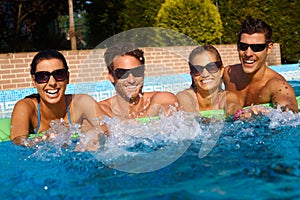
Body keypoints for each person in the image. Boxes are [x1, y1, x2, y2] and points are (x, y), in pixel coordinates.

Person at [10, 49, 107, 147]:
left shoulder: (82, 103)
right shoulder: (25, 107)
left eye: (59, 74)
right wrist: (40, 141)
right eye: (42, 76)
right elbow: (18, 143)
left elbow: (108, 134)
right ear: (34, 81)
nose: (52, 83)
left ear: (68, 77)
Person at [223, 16, 298, 112]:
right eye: (243, 46)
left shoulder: (277, 85)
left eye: (257, 47)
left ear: (269, 48)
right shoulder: (228, 74)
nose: (248, 53)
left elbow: (290, 115)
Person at [98, 43, 179, 119]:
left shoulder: (162, 99)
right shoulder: (103, 110)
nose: (131, 80)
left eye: (137, 71)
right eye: (122, 73)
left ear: (143, 73)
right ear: (111, 77)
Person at [176, 45, 242, 116]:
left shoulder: (227, 97)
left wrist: (238, 114)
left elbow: (232, 106)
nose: (205, 74)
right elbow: (190, 116)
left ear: (221, 71)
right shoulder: (185, 96)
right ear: (192, 74)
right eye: (197, 69)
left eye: (211, 67)